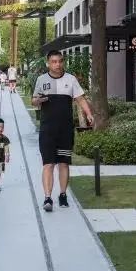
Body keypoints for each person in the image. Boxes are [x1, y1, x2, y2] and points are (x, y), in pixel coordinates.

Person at [32, 50, 94, 212]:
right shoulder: (41, 80)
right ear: (48, 63)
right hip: (47, 129)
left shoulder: (71, 79)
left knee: (64, 163)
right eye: (54, 62)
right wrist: (38, 100)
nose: (57, 64)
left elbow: (80, 98)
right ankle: (47, 198)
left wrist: (89, 114)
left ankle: (63, 194)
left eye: (60, 61)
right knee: (48, 164)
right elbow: (34, 101)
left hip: (65, 129)